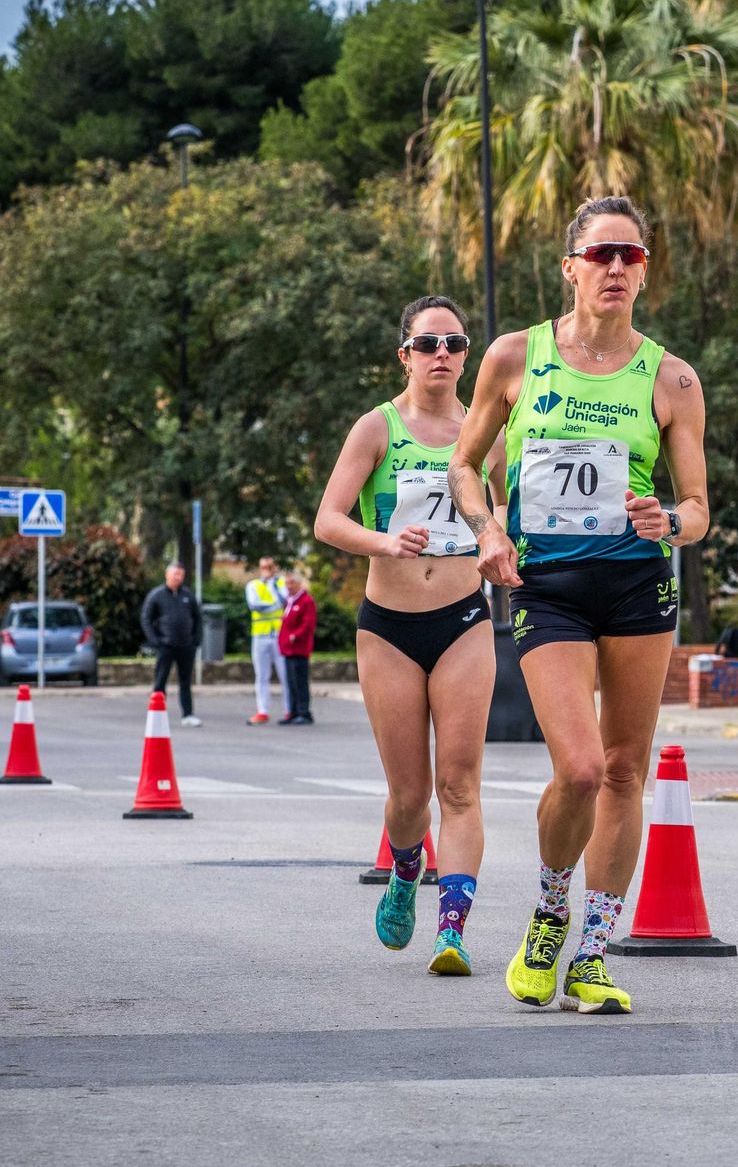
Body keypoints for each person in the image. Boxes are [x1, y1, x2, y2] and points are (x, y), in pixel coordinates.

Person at [448, 195, 709, 1016]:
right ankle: (549, 913)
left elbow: (699, 506)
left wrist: (670, 520)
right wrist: (489, 530)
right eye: (602, 255)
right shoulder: (513, 358)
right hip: (547, 586)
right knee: (583, 768)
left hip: (638, 582)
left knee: (627, 770)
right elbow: (463, 466)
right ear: (570, 268)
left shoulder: (672, 377)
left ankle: (594, 953)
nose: (618, 268)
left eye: (632, 254)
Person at [315, 295, 508, 977]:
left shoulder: (485, 434)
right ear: (405, 354)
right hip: (389, 628)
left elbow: (503, 512)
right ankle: (404, 871)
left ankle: (451, 931)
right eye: (428, 344)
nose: (443, 355)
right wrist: (386, 541)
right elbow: (328, 521)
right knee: (410, 795)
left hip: (462, 621)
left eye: (455, 344)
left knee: (460, 784)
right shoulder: (376, 428)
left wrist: (498, 539)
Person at [141, 562, 202, 727]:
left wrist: (195, 641)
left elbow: (197, 619)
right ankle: (157, 715)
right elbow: (146, 619)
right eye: (175, 574)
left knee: (185, 682)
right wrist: (155, 641)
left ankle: (188, 714)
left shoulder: (188, 596)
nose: (178, 578)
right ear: (167, 575)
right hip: (165, 646)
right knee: (160, 680)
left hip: (185, 646)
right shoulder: (157, 595)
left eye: (181, 575)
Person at [245, 556, 289, 725]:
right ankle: (262, 710)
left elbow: (284, 600)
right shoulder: (253, 585)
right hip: (260, 636)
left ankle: (288, 710)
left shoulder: (281, 583)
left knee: (285, 675)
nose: (266, 569)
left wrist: (275, 600)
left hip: (279, 635)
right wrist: (275, 604)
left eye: (269, 566)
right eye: (263, 566)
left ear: (275, 567)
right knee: (262, 675)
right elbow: (255, 605)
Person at [277, 573, 317, 725]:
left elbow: (308, 624)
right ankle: (293, 711)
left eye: (291, 583)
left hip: (299, 648)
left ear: (299, 584)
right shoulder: (290, 601)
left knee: (300, 682)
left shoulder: (306, 601)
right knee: (290, 682)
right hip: (288, 649)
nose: (288, 586)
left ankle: (304, 712)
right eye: (287, 583)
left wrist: (296, 635)